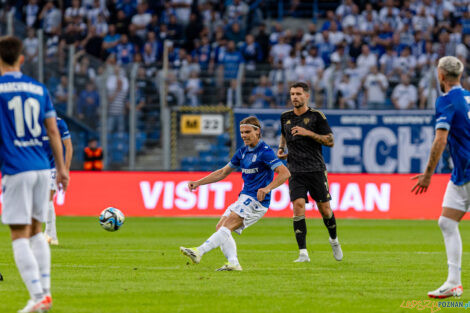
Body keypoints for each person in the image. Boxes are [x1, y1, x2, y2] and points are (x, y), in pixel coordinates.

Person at [0, 36, 69, 312]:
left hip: (16, 170)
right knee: (37, 232)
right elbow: (53, 132)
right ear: (22, 59)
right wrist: (62, 168)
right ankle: (46, 293)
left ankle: (37, 295)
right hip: (43, 168)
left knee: (19, 233)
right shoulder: (39, 89)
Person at [180, 116, 290, 271]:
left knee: (227, 225)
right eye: (242, 132)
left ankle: (199, 251)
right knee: (221, 227)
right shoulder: (242, 152)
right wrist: (198, 182)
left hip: (257, 201)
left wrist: (267, 188)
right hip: (245, 197)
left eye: (247, 132)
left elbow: (285, 173)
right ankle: (233, 263)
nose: (244, 135)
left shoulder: (265, 152)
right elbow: (223, 172)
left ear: (257, 131)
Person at [412, 56, 470, 299]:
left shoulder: (446, 100)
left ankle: (454, 282)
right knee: (446, 222)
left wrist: (427, 174)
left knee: (447, 223)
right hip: (461, 174)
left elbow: (440, 138)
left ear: (441, 76)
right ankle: (454, 283)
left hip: (467, 171)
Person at [278, 82, 343, 263]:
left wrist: (308, 133)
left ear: (307, 96)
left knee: (325, 210)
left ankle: (334, 240)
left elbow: (330, 141)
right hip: (295, 170)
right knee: (298, 206)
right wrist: (281, 148)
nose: (294, 97)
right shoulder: (285, 117)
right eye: (292, 94)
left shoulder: (317, 117)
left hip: (315, 169)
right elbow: (284, 133)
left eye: (298, 94)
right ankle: (303, 253)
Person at [43, 117, 73, 246]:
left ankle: (50, 235)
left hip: (52, 166)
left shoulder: (59, 122)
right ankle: (50, 235)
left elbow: (68, 146)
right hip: (34, 165)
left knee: (48, 198)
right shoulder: (31, 120)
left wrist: (65, 169)